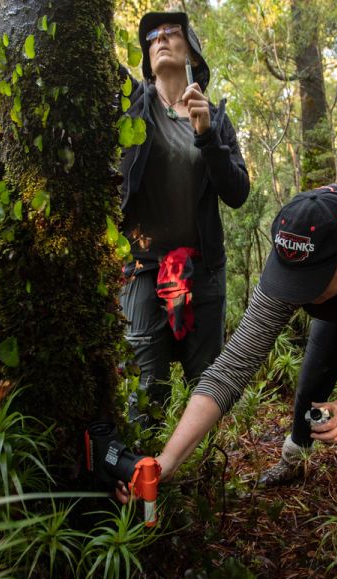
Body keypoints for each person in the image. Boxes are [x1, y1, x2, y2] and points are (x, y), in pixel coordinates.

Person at [119, 185, 337, 579]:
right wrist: (169, 459)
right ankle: (293, 459)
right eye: (291, 282)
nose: (295, 294)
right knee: (314, 376)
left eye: (309, 284)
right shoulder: (297, 251)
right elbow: (232, 367)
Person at [119, 11, 250, 430]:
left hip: (203, 270)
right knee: (146, 385)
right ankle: (145, 480)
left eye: (170, 33)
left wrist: (208, 135)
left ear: (190, 47)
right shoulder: (131, 106)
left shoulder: (216, 116)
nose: (159, 39)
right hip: (143, 268)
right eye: (151, 36)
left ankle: (205, 475)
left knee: (206, 381)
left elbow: (237, 192)